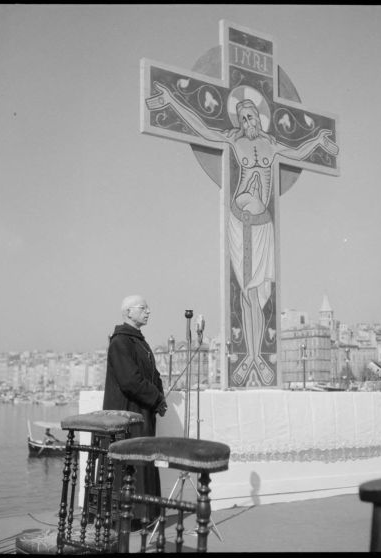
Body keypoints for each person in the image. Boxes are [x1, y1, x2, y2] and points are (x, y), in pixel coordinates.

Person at [146, 84, 338, 387]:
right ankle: (250, 357)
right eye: (243, 118)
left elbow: (300, 151)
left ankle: (255, 357)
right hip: (240, 223)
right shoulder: (234, 140)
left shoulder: (272, 145)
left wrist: (318, 139)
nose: (248, 122)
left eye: (252, 117)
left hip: (264, 225)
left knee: (259, 295)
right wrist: (171, 101)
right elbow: (201, 126)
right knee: (246, 295)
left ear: (260, 118)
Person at [102, 294, 167, 527]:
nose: (148, 311)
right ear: (128, 312)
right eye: (143, 308)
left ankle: (145, 514)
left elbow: (153, 375)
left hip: (142, 411)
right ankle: (128, 517)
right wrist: (156, 398)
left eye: (148, 308)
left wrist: (159, 396)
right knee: (130, 463)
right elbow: (130, 380)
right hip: (126, 413)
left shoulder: (140, 342)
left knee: (143, 461)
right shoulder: (120, 342)